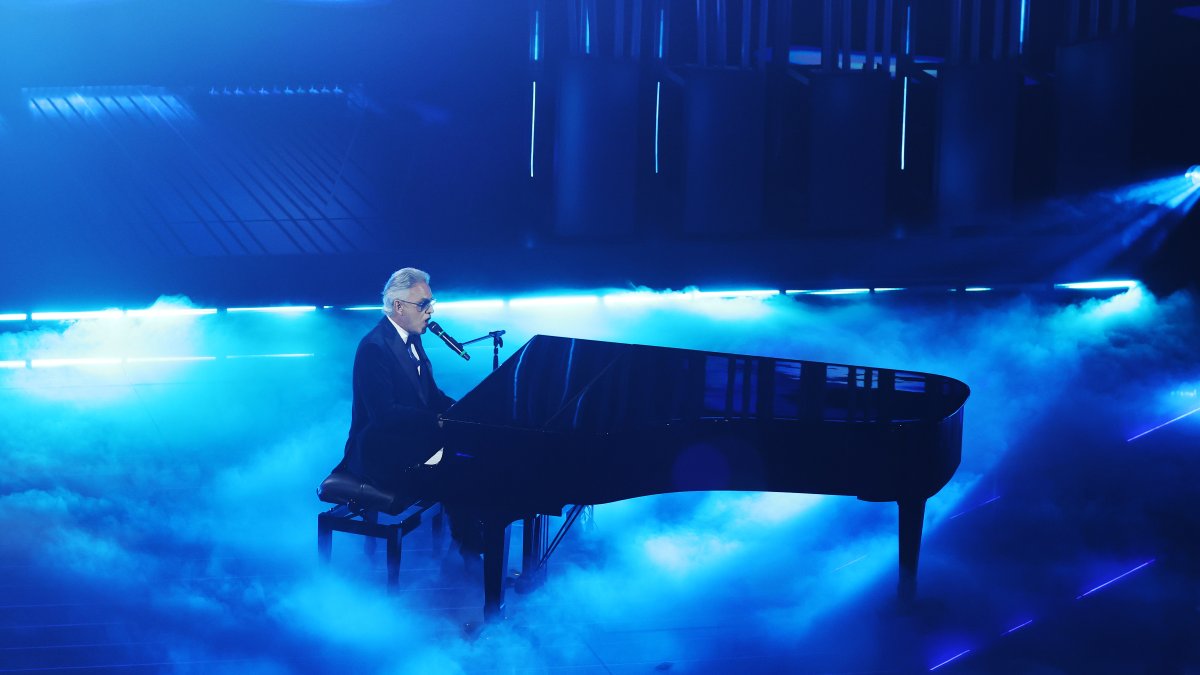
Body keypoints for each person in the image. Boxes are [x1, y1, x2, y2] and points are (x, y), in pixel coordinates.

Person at [331, 267, 482, 560]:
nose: (430, 311)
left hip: (409, 442)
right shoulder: (373, 347)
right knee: (460, 469)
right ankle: (468, 549)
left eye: (431, 303)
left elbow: (431, 396)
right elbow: (384, 415)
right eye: (424, 304)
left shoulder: (414, 339)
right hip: (380, 453)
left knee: (472, 457)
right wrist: (436, 421)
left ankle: (468, 544)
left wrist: (462, 410)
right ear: (398, 306)